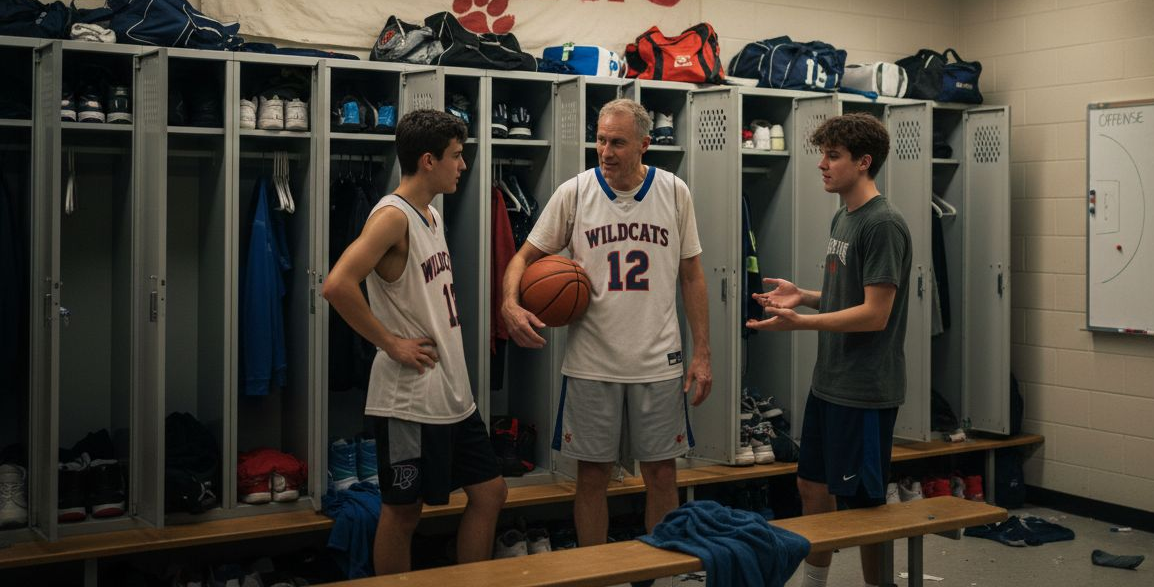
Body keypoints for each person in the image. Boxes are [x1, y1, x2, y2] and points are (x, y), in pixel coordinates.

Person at [501, 98, 712, 551]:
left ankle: (663, 571)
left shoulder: (674, 191)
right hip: (591, 363)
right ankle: (594, 574)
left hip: (659, 361)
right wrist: (509, 303)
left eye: (617, 142)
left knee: (661, 474)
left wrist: (702, 353)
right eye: (600, 140)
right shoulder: (575, 191)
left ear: (644, 145)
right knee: (592, 476)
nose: (606, 151)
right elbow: (524, 257)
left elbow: (692, 275)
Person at [323, 109, 506, 575]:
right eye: (456, 156)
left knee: (491, 493)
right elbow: (337, 284)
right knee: (403, 512)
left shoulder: (430, 215)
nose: (463, 165)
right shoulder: (391, 217)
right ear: (428, 160)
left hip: (451, 393)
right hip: (408, 398)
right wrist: (390, 343)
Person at [746, 113, 912, 587]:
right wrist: (804, 296)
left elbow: (876, 314)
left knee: (865, 508)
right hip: (829, 382)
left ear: (863, 162)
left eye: (832, 156)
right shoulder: (845, 215)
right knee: (811, 487)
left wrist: (802, 322)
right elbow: (850, 299)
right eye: (822, 153)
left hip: (864, 389)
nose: (821, 164)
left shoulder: (883, 224)